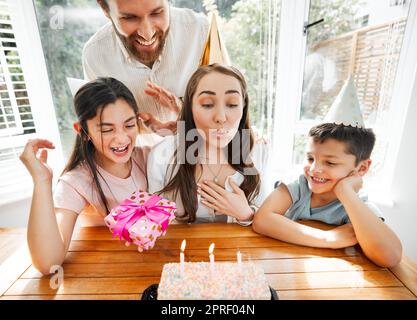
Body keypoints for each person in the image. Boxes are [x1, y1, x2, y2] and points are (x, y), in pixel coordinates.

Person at [19, 78, 149, 275]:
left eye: (129, 125)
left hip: (156, 263)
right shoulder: (77, 181)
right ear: (83, 131)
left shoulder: (151, 156)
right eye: (107, 129)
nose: (122, 138)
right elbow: (48, 263)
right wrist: (41, 182)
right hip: (111, 274)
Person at [252, 122, 402, 267]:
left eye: (330, 163)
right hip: (286, 266)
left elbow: (389, 256)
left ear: (362, 168)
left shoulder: (358, 204)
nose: (314, 169)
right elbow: (262, 220)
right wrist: (328, 238)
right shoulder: (298, 186)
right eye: (311, 158)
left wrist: (346, 192)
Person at [147, 63, 269, 224]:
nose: (221, 117)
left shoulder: (257, 150)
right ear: (190, 108)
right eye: (207, 105)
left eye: (232, 104)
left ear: (243, 107)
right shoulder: (162, 155)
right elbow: (154, 223)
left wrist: (246, 215)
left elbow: (268, 218)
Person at [83, 0, 209, 132]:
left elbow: (228, 116)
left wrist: (188, 116)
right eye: (129, 18)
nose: (147, 34)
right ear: (105, 10)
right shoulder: (94, 56)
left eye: (157, 13)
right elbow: (100, 130)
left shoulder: (200, 30)